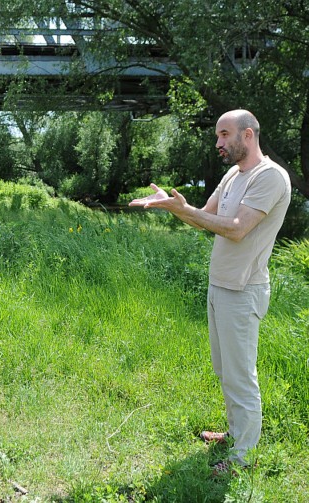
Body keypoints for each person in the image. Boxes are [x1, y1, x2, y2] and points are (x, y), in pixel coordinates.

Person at [130, 109, 291, 474]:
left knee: (240, 376)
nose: (218, 143)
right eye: (218, 136)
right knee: (224, 370)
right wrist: (175, 208)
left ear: (248, 135)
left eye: (224, 134)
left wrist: (184, 210)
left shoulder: (271, 177)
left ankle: (243, 457)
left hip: (244, 289)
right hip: (219, 285)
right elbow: (206, 217)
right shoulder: (234, 174)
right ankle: (236, 433)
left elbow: (235, 229)